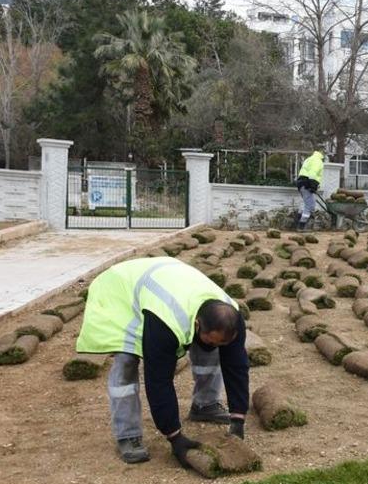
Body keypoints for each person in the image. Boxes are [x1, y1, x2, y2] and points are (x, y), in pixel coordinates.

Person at [76, 257, 252, 467]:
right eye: (208, 337)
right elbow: (159, 380)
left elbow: (236, 366)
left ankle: (205, 405)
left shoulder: (231, 316)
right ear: (196, 324)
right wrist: (174, 437)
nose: (213, 344)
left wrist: (238, 419)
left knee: (212, 347)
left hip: (164, 280)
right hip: (120, 291)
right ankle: (128, 435)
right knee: (127, 360)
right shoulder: (167, 324)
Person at [294, 149, 325, 230]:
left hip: (301, 183)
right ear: (321, 154)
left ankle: (297, 223)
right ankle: (301, 226)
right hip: (307, 183)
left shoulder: (309, 158)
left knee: (305, 203)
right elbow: (312, 173)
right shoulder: (318, 160)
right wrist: (313, 185)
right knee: (310, 205)